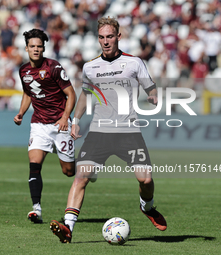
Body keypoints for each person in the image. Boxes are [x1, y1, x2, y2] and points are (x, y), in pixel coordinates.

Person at [50, 17, 167, 243]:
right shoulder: (90, 67)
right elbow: (85, 94)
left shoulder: (134, 63)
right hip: (99, 132)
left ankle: (148, 207)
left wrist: (152, 94)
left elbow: (150, 85)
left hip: (128, 131)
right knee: (81, 177)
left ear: (118, 37)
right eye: (102, 37)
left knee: (145, 180)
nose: (105, 41)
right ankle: (68, 228)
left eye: (110, 37)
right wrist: (76, 120)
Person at [13, 29, 76, 223]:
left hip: (59, 124)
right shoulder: (23, 70)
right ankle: (36, 209)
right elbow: (28, 93)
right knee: (34, 165)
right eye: (32, 46)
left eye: (39, 46)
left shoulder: (54, 67)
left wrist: (66, 117)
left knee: (68, 172)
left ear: (43, 48)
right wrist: (22, 112)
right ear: (26, 48)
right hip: (39, 124)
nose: (36, 50)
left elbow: (71, 94)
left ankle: (86, 168)